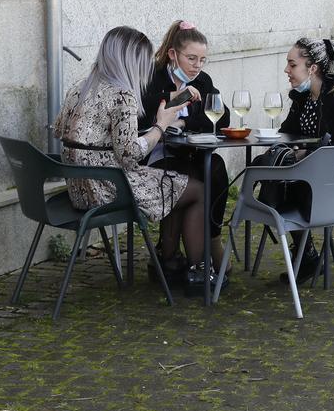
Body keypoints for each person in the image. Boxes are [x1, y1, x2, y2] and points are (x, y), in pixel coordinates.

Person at [52, 26, 216, 288]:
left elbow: (60, 130)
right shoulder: (122, 94)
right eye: (142, 60)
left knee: (172, 181)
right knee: (195, 189)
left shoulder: (79, 88)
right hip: (109, 189)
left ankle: (169, 262)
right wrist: (160, 126)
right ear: (129, 60)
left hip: (79, 187)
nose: (146, 68)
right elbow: (129, 156)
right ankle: (200, 272)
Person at [268, 37, 334, 283]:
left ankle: (305, 253)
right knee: (271, 168)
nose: (286, 70)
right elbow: (288, 132)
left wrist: (309, 152)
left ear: (313, 68)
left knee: (283, 181)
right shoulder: (303, 97)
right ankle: (305, 252)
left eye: (292, 64)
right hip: (315, 170)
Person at [137, 20, 230, 286]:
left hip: (192, 150)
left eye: (202, 59)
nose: (197, 65)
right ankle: (179, 259)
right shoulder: (153, 78)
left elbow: (220, 118)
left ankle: (209, 239)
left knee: (216, 169)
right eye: (191, 58)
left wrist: (185, 122)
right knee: (181, 176)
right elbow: (147, 111)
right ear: (173, 55)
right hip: (157, 153)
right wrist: (178, 99)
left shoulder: (203, 80)